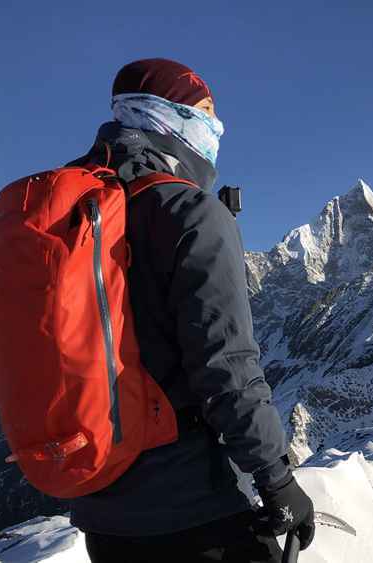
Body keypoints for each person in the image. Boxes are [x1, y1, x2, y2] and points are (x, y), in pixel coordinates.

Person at [66, 58, 315, 563]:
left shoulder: (73, 209)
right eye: (204, 113)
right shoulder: (191, 214)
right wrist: (277, 479)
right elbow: (228, 370)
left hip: (100, 513)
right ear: (167, 115)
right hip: (189, 515)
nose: (215, 128)